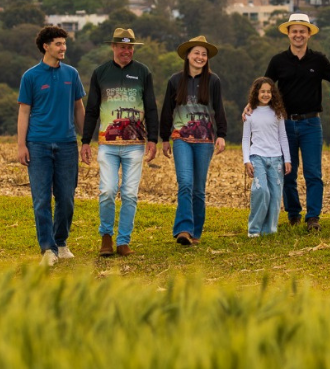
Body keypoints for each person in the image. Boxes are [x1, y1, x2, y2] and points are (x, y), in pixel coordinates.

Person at [80, 28, 158, 257]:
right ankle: (106, 236)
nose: (127, 51)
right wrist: (86, 141)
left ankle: (123, 241)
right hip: (108, 145)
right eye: (122, 47)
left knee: (130, 194)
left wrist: (153, 139)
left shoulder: (143, 72)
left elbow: (151, 107)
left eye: (130, 47)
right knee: (107, 190)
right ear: (113, 47)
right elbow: (92, 109)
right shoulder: (100, 73)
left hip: (135, 145)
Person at [17, 25, 86, 265]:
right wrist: (21, 145)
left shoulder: (72, 74)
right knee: (41, 199)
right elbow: (24, 112)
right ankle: (48, 249)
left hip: (67, 144)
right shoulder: (30, 76)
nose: (63, 47)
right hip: (38, 144)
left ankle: (61, 242)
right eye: (58, 44)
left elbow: (78, 108)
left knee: (66, 198)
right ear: (46, 46)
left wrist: (87, 139)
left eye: (64, 43)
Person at [263, 13, 330, 231]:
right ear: (288, 34)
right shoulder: (278, 61)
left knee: (313, 173)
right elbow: (265, 86)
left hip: (311, 124)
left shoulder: (319, 60)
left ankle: (313, 217)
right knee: (288, 172)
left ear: (309, 34)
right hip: (284, 124)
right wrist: (252, 106)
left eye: (302, 31)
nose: (298, 35)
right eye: (294, 31)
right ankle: (293, 214)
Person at [159, 35, 227, 246]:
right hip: (181, 138)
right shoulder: (175, 80)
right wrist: (164, 138)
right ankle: (183, 229)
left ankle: (195, 232)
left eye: (204, 54)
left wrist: (222, 135)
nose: (200, 57)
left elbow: (219, 109)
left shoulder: (213, 81)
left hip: (205, 140)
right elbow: (167, 110)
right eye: (196, 53)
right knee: (185, 183)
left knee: (198, 189)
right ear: (187, 55)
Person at [242, 77, 291, 237]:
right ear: (256, 93)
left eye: (269, 91)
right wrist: (246, 160)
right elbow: (245, 139)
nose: (265, 94)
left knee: (275, 195)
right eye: (262, 91)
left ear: (273, 93)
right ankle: (254, 229)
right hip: (257, 157)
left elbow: (283, 137)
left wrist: (287, 159)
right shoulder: (249, 114)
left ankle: (269, 230)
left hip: (276, 158)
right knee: (261, 191)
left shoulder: (278, 113)